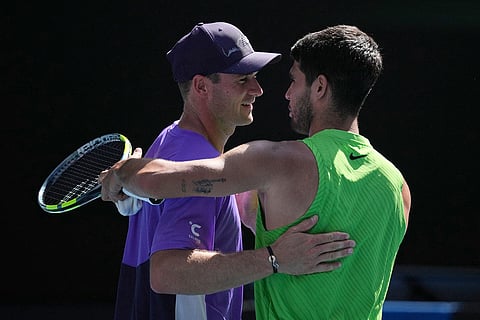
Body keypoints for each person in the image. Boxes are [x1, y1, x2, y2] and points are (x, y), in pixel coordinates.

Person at [101, 24, 411, 319]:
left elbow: (168, 182)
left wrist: (125, 173)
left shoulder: (276, 163)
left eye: (294, 81)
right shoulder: (398, 187)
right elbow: (246, 209)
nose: (277, 93)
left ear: (319, 87)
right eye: (242, 78)